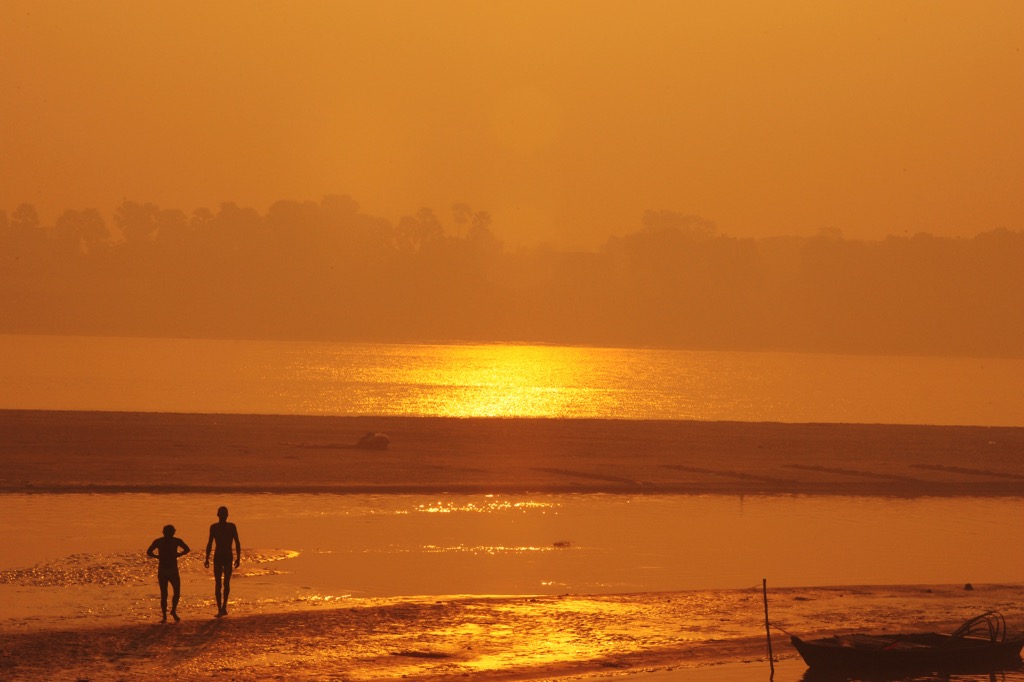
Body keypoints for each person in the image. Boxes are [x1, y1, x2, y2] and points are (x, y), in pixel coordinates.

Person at [146, 524, 190, 623]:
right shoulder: (159, 541)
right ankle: (165, 616)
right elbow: (149, 551)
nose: (170, 534)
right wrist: (157, 557)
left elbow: (187, 549)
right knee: (164, 594)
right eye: (168, 532)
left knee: (176, 592)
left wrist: (179, 554)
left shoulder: (175, 541)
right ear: (165, 532)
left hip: (172, 570)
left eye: (171, 532)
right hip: (164, 570)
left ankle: (172, 611)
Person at [204, 506, 241, 617]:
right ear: (218, 515)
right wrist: (206, 558)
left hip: (228, 557)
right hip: (218, 557)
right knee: (218, 583)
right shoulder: (214, 527)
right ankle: (220, 608)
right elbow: (210, 543)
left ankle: (224, 606)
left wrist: (238, 558)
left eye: (225, 514)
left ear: (227, 515)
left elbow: (237, 542)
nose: (223, 516)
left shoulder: (232, 526)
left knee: (226, 583)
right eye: (221, 514)